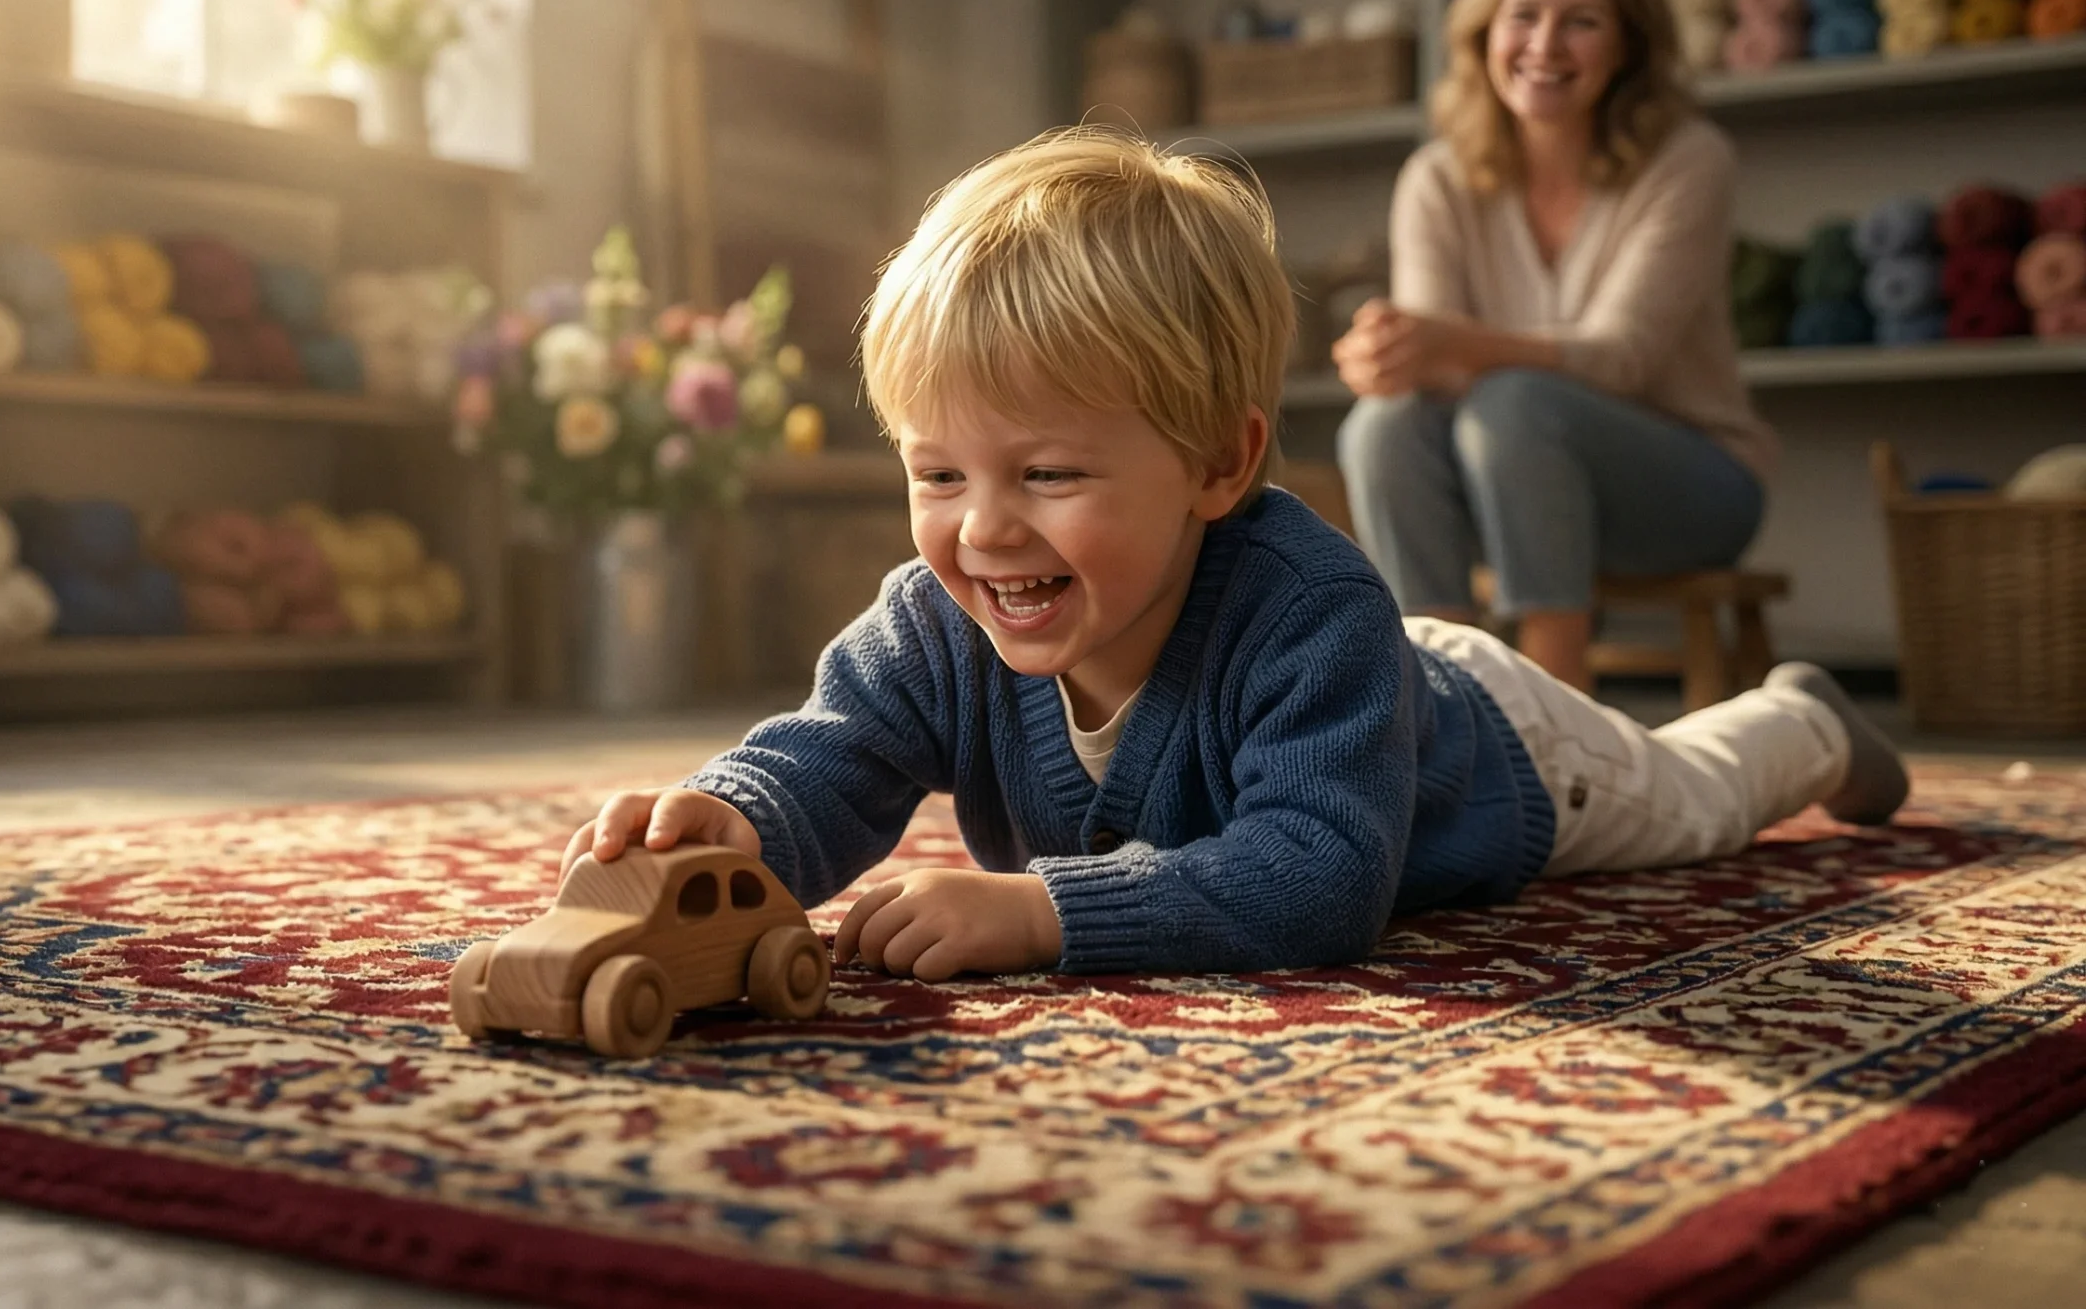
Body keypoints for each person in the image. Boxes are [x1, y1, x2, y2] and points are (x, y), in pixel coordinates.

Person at [559, 129, 1904, 982]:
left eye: (1049, 474)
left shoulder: (1310, 608)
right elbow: (834, 752)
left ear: (1220, 463)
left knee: (1696, 796)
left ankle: (1800, 721)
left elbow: (1320, 874)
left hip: (1503, 749)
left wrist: (1041, 914)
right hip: (1389, 670)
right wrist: (726, 825)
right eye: (937, 473)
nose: (983, 529)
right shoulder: (937, 617)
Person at [1334, 0, 1774, 691]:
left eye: (1581, 22)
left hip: (1689, 487)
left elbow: (1624, 358)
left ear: (1629, 44)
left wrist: (1450, 343)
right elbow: (1425, 375)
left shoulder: (1688, 159)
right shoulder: (1437, 176)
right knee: (1382, 426)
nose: (1544, 45)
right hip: (1500, 478)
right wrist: (1390, 355)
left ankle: (1555, 709)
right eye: (1523, 16)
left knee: (1516, 404)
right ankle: (1435, 695)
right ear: (1483, 32)